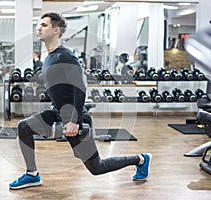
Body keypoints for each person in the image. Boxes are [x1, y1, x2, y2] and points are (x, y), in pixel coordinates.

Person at [9, 12, 152, 190]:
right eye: (40, 24)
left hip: (74, 118)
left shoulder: (65, 56)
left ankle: (141, 159)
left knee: (97, 167)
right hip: (57, 112)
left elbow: (80, 86)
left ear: (56, 30)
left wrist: (74, 121)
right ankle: (32, 175)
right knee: (24, 127)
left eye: (44, 25)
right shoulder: (48, 58)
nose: (39, 28)